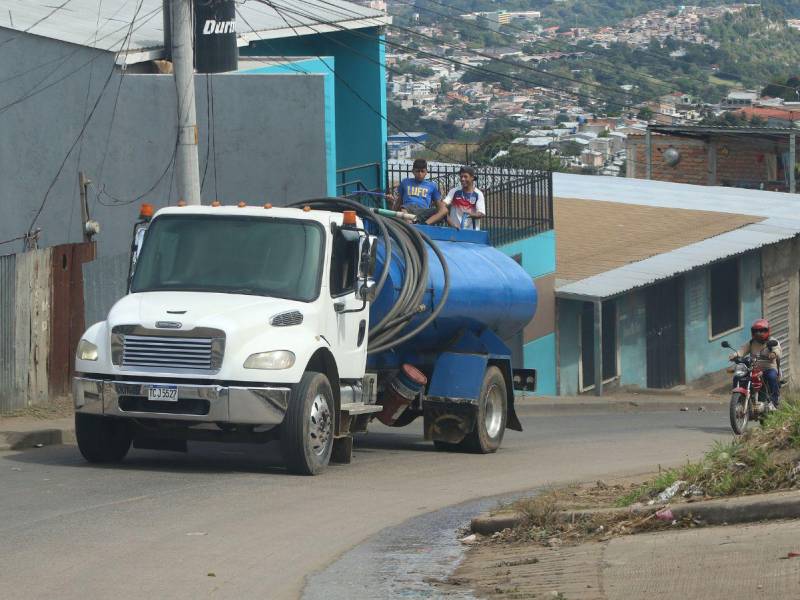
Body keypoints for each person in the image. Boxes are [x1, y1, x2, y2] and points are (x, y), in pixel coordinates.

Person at [730, 318, 782, 407]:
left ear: (767, 331)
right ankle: (739, 398)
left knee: (772, 377)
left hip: (768, 368)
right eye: (756, 331)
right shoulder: (751, 343)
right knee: (738, 377)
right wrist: (735, 355)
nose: (759, 333)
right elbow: (742, 350)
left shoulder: (772, 341)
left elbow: (778, 350)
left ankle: (774, 402)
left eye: (762, 331)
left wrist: (773, 354)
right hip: (753, 369)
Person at [390, 159, 446, 225]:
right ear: (413, 171)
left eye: (422, 171)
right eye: (417, 171)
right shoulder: (405, 182)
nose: (420, 174)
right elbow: (399, 201)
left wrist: (453, 225)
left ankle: (424, 224)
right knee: (403, 208)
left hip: (423, 212)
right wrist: (391, 215)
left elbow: (440, 207)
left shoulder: (432, 186)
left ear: (426, 172)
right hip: (408, 210)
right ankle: (411, 225)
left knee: (444, 210)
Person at [441, 165, 486, 230]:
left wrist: (471, 215)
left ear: (472, 177)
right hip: (455, 230)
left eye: (465, 176)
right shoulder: (454, 191)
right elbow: (443, 204)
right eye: (461, 176)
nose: (462, 179)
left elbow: (481, 213)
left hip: (471, 232)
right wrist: (447, 218)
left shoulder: (478, 194)